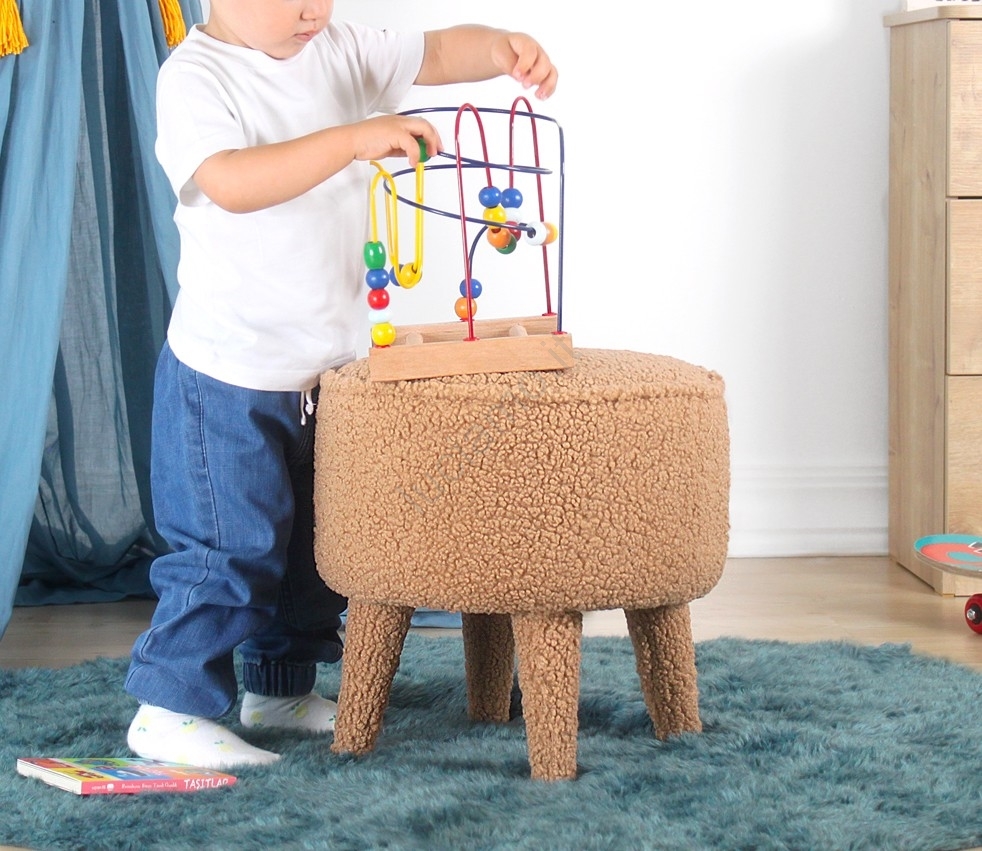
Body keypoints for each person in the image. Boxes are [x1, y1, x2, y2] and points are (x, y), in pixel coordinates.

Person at [123, 0, 558, 770]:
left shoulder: (341, 48)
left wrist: (500, 48)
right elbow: (232, 180)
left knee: (312, 556)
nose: (312, 9)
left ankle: (280, 687)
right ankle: (170, 705)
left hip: (328, 374)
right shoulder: (196, 76)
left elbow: (435, 52)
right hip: (228, 376)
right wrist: (353, 139)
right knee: (230, 551)